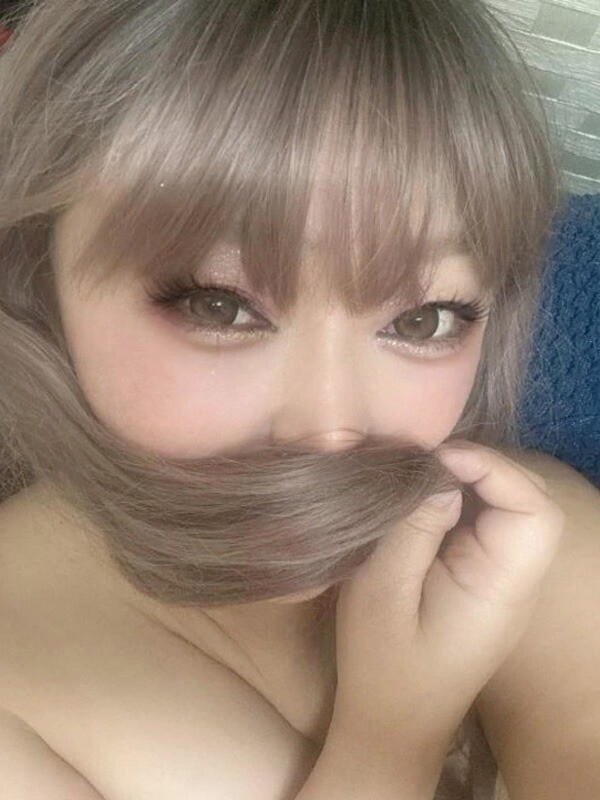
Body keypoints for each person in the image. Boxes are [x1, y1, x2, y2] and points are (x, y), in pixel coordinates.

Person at [0, 1, 597, 798]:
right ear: (41, 279)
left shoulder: (527, 542)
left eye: (423, 320)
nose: (328, 427)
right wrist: (390, 742)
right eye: (220, 306)